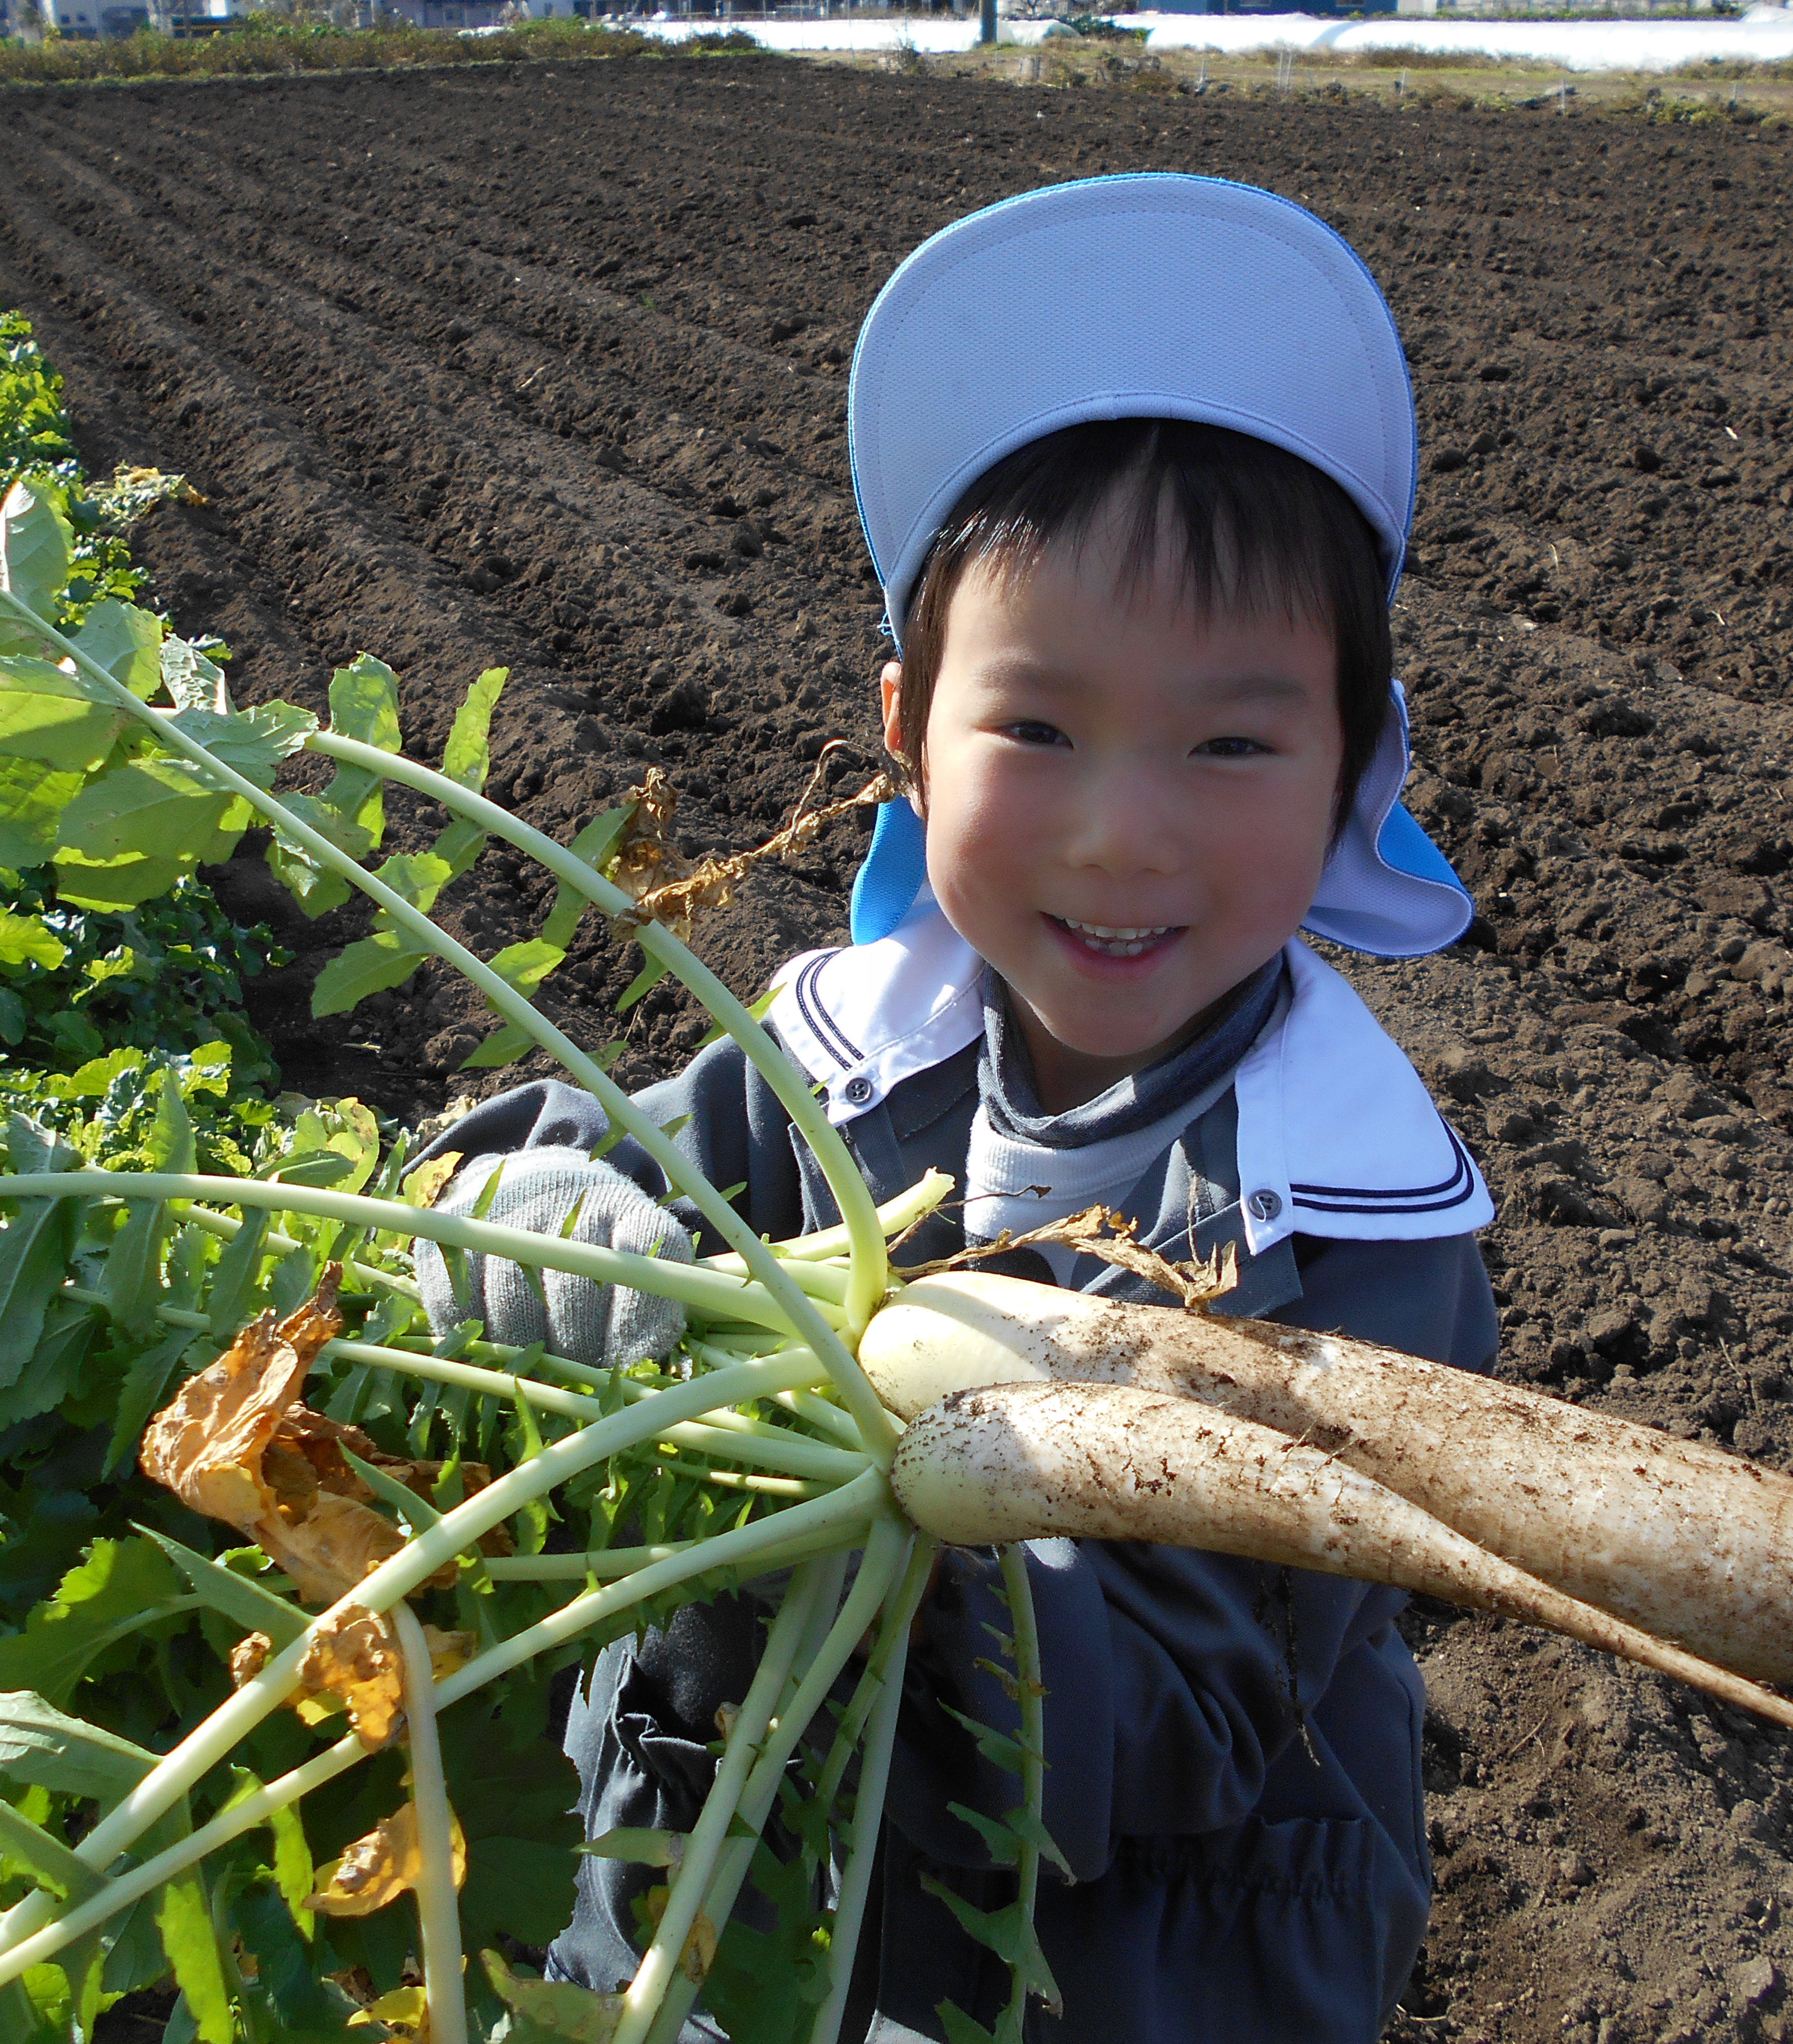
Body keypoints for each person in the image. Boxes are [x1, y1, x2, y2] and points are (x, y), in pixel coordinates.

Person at [412, 174, 1496, 2041]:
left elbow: (1184, 1713)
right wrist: (512, 1215)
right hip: (708, 1894)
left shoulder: (1352, 1230)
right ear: (905, 736)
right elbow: (595, 1160)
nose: (1120, 831)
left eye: (1231, 742)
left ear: (1352, 775)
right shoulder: (850, 1049)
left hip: (1113, 1971)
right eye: (1039, 729)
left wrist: (826, 1520)